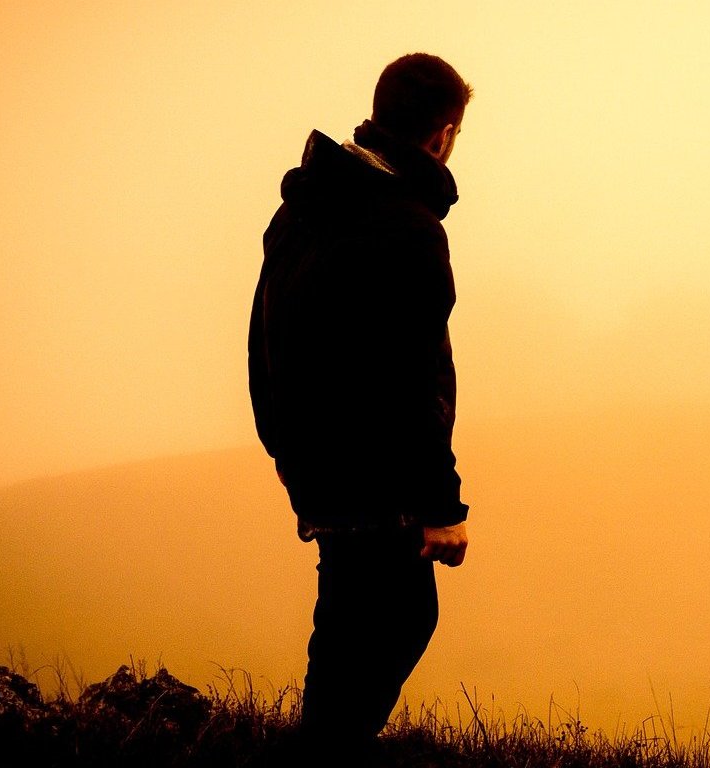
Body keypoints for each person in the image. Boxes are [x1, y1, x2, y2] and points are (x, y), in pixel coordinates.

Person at [246, 52, 473, 763]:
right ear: (441, 135)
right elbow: (413, 377)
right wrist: (442, 506)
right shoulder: (410, 229)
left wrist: (281, 447)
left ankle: (322, 745)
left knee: (347, 620)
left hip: (314, 460)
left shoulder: (303, 208)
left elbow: (263, 333)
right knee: (400, 618)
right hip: (377, 474)